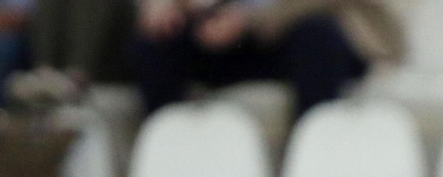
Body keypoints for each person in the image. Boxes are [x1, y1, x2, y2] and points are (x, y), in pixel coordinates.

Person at [131, 0, 395, 118]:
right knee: (155, 42)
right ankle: (170, 147)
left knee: (318, 37)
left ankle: (314, 154)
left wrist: (248, 20)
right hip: (227, 36)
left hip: (302, 34)